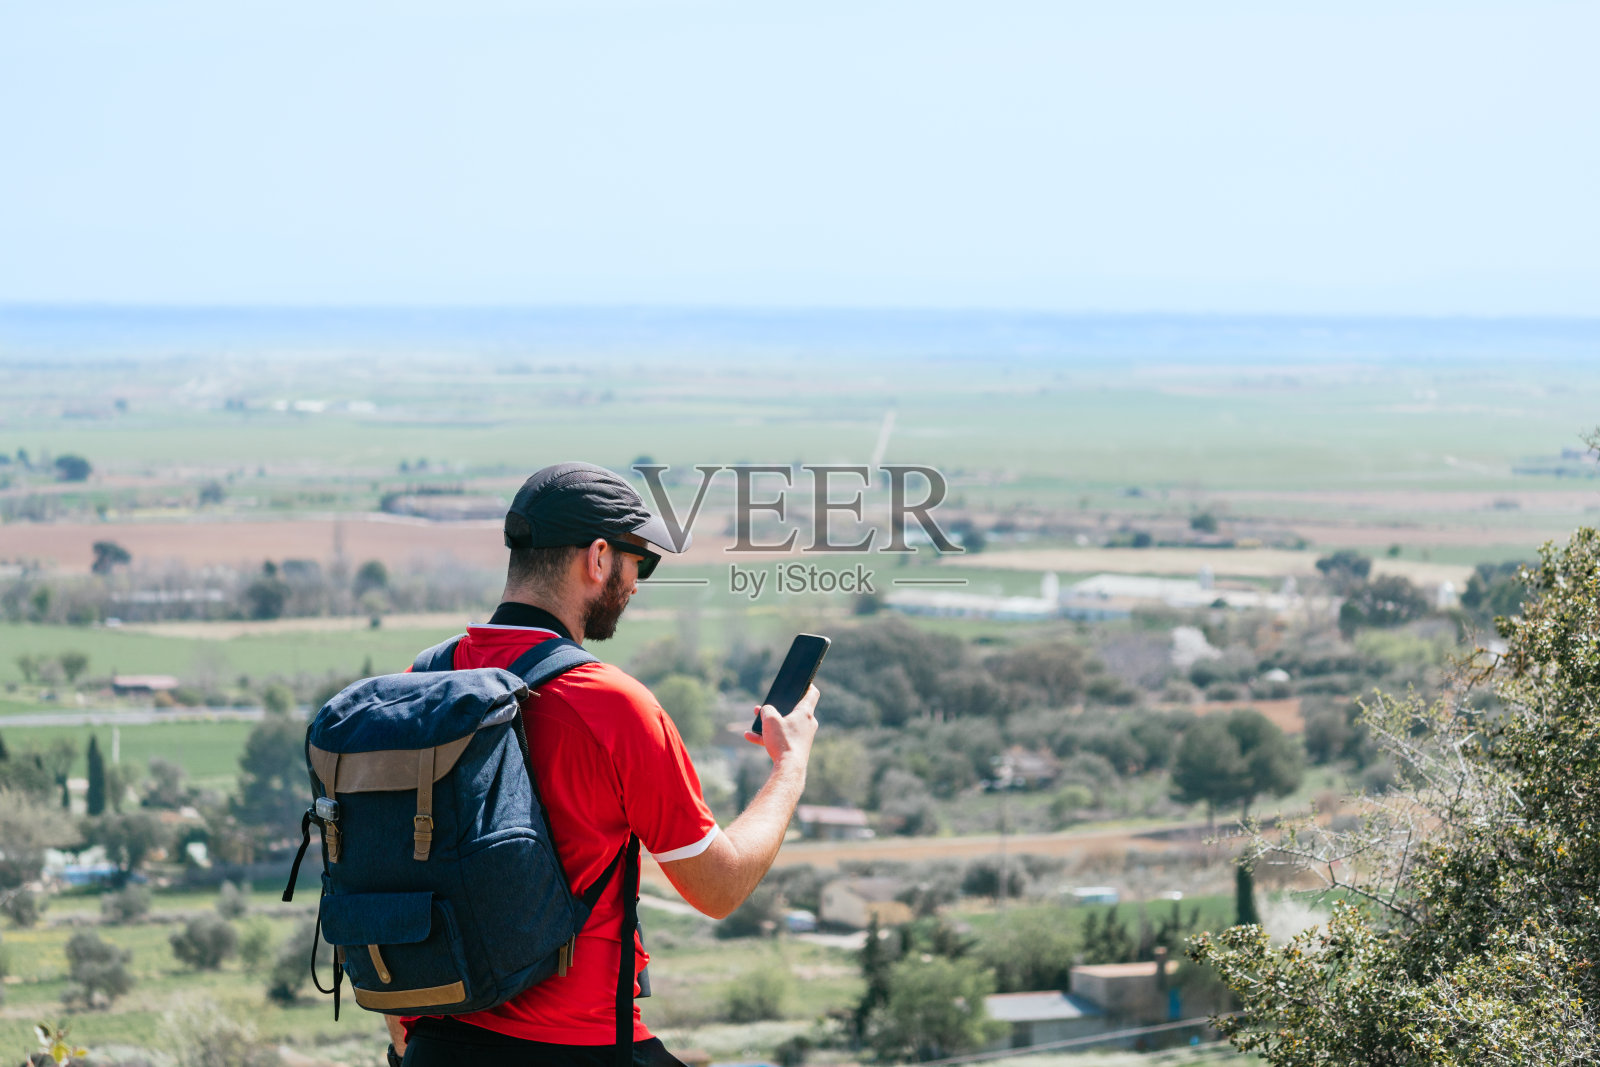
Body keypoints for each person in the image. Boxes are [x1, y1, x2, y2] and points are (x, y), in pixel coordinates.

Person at [388, 462, 820, 1067]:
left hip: (433, 1048)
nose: (638, 583)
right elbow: (719, 887)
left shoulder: (420, 685)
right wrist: (790, 765)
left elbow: (384, 871)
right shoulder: (611, 705)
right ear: (597, 558)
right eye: (639, 560)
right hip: (583, 1047)